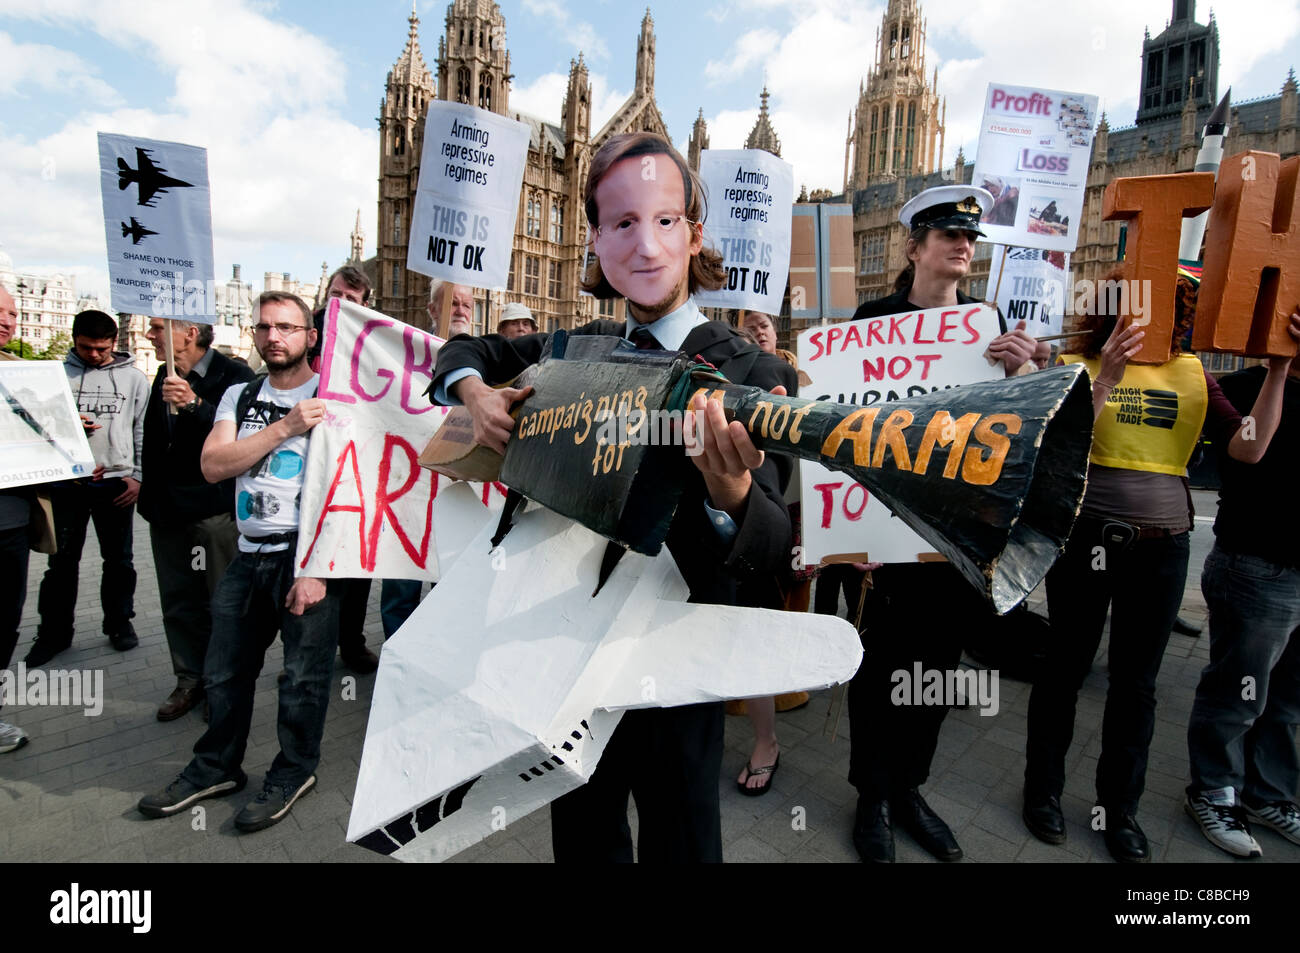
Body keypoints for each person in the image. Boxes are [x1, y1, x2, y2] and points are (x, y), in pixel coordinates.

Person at [431, 131, 796, 862]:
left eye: (665, 221)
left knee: (684, 841)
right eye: (623, 223)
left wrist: (728, 489)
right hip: (564, 663)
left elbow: (773, 553)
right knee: (585, 840)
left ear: (694, 235)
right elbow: (461, 352)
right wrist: (474, 391)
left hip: (678, 670)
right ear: (595, 240)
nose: (647, 246)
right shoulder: (571, 349)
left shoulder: (753, 370)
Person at [1022, 272, 1293, 863]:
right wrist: (1109, 379)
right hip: (1085, 540)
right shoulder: (1076, 364)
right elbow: (1055, 446)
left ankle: (1120, 811)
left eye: (1171, 310)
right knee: (1064, 669)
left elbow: (1248, 448)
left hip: (1162, 548)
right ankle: (1041, 792)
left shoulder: (1194, 373)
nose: (1153, 321)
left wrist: (1275, 373)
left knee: (1135, 686)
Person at [846, 186, 1039, 864]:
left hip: (953, 536)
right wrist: (851, 534)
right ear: (914, 246)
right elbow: (848, 431)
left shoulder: (990, 326)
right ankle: (871, 795)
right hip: (885, 535)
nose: (963, 245)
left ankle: (909, 789)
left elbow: (1012, 440)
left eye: (970, 238)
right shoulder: (873, 319)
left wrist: (1023, 378)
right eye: (948, 234)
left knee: (935, 671)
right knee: (877, 673)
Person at [137, 292, 338, 832]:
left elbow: (351, 491)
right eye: (265, 327)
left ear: (310, 337)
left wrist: (318, 566)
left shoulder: (335, 398)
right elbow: (213, 465)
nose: (275, 337)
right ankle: (215, 766)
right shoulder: (239, 396)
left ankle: (293, 772)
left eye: (288, 328)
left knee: (302, 679)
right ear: (253, 335)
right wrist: (284, 428)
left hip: (306, 557)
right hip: (248, 556)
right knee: (223, 672)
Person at [1184, 311, 1300, 857]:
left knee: (1288, 701)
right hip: (1258, 565)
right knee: (1237, 696)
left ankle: (1271, 796)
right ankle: (1214, 791)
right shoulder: (1242, 386)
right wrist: (1279, 371)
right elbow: (1247, 457)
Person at [140, 317, 254, 720]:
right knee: (178, 602)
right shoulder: (161, 374)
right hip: (167, 512)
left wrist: (194, 406)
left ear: (189, 332)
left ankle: (223, 686)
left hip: (212, 513)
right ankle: (189, 680)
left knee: (223, 603)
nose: (149, 335)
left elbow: (244, 440)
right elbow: (156, 442)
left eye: (157, 327)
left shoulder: (235, 375)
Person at [28, 310, 149, 665]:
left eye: (101, 348)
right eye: (85, 348)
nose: (94, 355)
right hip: (68, 483)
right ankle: (54, 633)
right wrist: (66, 426)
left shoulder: (134, 379)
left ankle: (119, 623)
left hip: (117, 482)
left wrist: (138, 476)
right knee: (61, 563)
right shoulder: (56, 376)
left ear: (114, 342)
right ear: (73, 340)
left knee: (119, 560)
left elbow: (141, 429)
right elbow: (35, 427)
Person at [729, 309, 808, 796]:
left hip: (780, 516)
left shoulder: (799, 375)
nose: (756, 331)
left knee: (757, 628)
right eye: (745, 324)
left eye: (764, 323)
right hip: (720, 519)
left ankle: (766, 741)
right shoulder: (720, 369)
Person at [310, 265, 379, 674]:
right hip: (313, 470)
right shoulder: (306, 337)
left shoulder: (370, 342)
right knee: (311, 563)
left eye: (352, 300)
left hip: (355, 467)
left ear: (365, 304)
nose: (342, 304)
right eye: (337, 295)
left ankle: (351, 642)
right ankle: (308, 651)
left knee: (355, 565)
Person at [1, 286, 31, 752]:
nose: (7, 320)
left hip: (11, 519)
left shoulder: (20, 375)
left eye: (12, 312)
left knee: (5, 618)